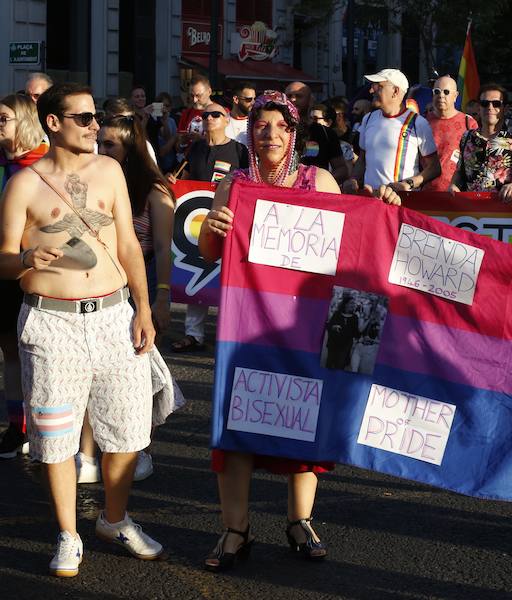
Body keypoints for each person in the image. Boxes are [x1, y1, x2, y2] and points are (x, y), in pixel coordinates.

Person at [197, 91, 399, 572]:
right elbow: (207, 252)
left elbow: (357, 242)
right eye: (261, 126)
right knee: (238, 423)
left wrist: (385, 205)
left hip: (308, 324)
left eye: (280, 127)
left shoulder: (320, 180)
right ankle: (235, 530)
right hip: (249, 326)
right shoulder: (236, 185)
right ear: (251, 133)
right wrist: (215, 225)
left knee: (307, 418)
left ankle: (300, 521)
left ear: (295, 134)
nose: (270, 135)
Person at [0, 82, 163, 576]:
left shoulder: (110, 170)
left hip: (115, 316)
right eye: (85, 118)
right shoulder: (23, 184)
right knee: (55, 438)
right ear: (54, 123)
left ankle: (114, 519)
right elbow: (4, 259)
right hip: (52, 323)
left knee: (129, 433)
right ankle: (69, 534)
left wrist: (145, 307)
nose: (97, 126)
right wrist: (26, 258)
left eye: (95, 118)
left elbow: (129, 246)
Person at [83, 114, 176, 483]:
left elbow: (165, 249)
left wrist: (162, 297)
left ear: (130, 150)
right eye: (99, 142)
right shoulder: (94, 180)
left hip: (144, 280)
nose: (100, 149)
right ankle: (88, 454)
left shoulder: (154, 190)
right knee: (94, 371)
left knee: (138, 377)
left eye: (109, 144)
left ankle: (140, 449)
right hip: (102, 283)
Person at [169, 102, 248, 353]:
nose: (209, 118)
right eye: (206, 115)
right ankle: (194, 334)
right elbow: (186, 176)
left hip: (229, 220)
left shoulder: (240, 150)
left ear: (227, 120)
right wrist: (175, 182)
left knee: (228, 277)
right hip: (198, 221)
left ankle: (230, 335)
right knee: (197, 274)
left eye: (216, 114)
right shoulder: (196, 148)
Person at [0, 93, 49, 459]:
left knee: (36, 353)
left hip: (35, 270)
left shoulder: (43, 166)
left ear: (24, 121)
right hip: (5, 269)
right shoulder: (7, 163)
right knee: (10, 353)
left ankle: (44, 428)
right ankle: (18, 426)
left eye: (4, 119)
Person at [343, 68, 440, 194]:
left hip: (401, 202)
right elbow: (362, 159)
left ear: (395, 91)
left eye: (378, 86)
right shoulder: (368, 119)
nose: (371, 90)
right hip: (370, 200)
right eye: (372, 86)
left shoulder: (417, 123)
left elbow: (434, 168)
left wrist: (408, 183)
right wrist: (353, 179)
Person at [451, 84, 512, 201]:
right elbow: (459, 172)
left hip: (506, 212)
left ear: (505, 109)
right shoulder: (467, 137)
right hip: (470, 211)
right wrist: (453, 185)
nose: (490, 107)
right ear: (479, 108)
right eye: (484, 103)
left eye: (496, 104)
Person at [423, 75, 477, 192]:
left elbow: (475, 161)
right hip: (425, 196)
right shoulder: (421, 122)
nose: (441, 95)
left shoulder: (469, 123)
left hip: (457, 196)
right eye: (437, 91)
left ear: (455, 96)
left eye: (446, 92)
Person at [287, 83, 349, 184]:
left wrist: (319, 182)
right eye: (289, 96)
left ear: (310, 101)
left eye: (299, 96)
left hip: (313, 194)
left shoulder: (325, 133)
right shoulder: (276, 132)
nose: (293, 100)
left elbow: (341, 169)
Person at [224, 82, 256, 147]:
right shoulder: (222, 121)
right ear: (236, 99)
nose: (253, 103)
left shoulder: (256, 122)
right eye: (249, 99)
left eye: (254, 99)